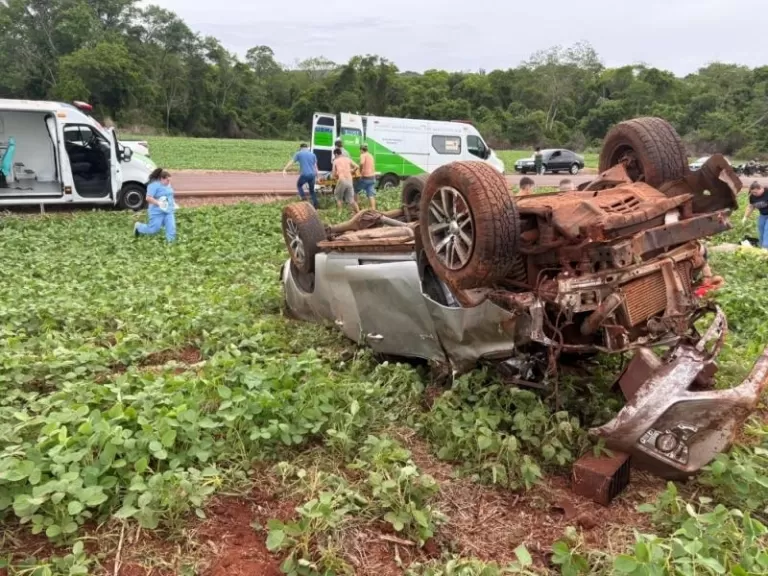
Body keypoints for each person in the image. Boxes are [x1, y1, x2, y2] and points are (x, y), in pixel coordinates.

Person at [134, 168, 176, 242]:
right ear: (161, 179)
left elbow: (170, 195)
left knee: (171, 228)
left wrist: (173, 204)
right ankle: (138, 227)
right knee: (153, 230)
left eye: (170, 180)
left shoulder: (168, 185)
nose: (169, 182)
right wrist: (158, 203)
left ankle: (171, 245)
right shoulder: (153, 185)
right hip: (157, 212)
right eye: (167, 180)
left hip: (168, 211)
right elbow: (148, 198)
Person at [282, 143, 319, 208]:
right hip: (312, 175)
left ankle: (303, 197)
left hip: (305, 174)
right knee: (312, 190)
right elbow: (315, 166)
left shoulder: (298, 153)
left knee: (299, 185)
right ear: (307, 148)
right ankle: (316, 204)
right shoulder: (313, 155)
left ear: (301, 148)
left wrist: (285, 169)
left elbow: (291, 162)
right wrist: (317, 176)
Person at [332, 148, 359, 213]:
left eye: (334, 155)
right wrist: (352, 170)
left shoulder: (336, 161)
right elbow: (357, 166)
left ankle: (340, 214)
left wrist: (335, 176)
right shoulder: (347, 159)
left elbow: (333, 173)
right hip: (349, 180)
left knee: (339, 198)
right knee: (351, 200)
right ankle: (359, 213)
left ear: (336, 154)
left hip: (342, 179)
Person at [743, 181, 768, 248]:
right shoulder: (752, 197)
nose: (754, 194)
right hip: (763, 215)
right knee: (761, 229)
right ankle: (761, 246)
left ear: (761, 189)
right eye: (752, 192)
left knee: (767, 230)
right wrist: (745, 217)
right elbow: (751, 206)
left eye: (755, 192)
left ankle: (766, 248)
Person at [357, 143, 377, 210]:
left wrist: (360, 171)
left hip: (366, 178)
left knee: (355, 190)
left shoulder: (363, 155)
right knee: (371, 194)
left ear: (361, 150)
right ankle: (373, 209)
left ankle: (357, 208)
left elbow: (362, 163)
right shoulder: (371, 155)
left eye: (360, 150)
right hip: (372, 177)